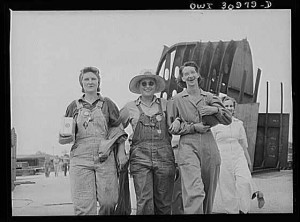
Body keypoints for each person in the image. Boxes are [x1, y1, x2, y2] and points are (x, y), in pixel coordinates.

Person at [58, 66, 128, 215]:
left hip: (105, 156)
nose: (90, 82)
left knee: (109, 202)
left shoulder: (107, 104)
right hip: (80, 158)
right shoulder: (73, 106)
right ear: (81, 83)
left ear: (98, 82)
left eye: (93, 79)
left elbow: (118, 128)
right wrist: (65, 136)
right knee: (84, 206)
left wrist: (121, 152)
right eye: (86, 79)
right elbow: (64, 134)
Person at [167, 61, 232, 214]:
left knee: (209, 192)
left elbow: (228, 119)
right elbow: (171, 127)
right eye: (186, 74)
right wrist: (192, 127)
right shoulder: (177, 100)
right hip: (188, 145)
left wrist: (214, 109)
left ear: (198, 75)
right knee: (194, 191)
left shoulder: (209, 97)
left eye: (192, 72)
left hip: (209, 144)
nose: (190, 76)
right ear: (182, 79)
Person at [120, 69, 176, 215]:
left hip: (164, 157)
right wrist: (121, 149)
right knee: (144, 202)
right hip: (140, 158)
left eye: (151, 83)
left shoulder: (166, 104)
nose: (147, 86)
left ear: (155, 86)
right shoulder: (129, 107)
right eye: (143, 83)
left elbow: (178, 121)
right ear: (139, 86)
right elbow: (117, 127)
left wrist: (177, 122)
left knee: (164, 203)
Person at [211, 96, 265, 214]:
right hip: (222, 157)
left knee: (244, 181)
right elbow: (212, 145)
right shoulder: (215, 125)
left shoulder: (239, 124)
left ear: (234, 109)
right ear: (221, 108)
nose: (229, 108)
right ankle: (232, 212)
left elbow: (243, 144)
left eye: (231, 106)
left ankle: (244, 210)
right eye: (226, 106)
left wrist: (248, 160)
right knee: (227, 187)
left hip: (238, 155)